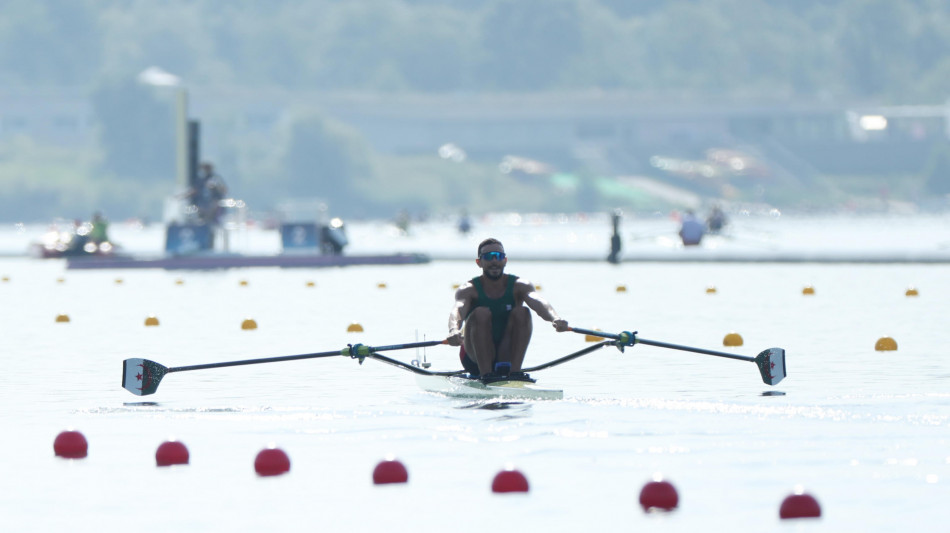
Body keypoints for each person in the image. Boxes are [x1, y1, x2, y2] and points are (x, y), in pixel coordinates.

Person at [446, 238, 569, 381]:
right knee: (481, 313)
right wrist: (453, 330)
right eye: (488, 257)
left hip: (506, 354)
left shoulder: (520, 285)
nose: (494, 261)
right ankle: (486, 374)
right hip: (474, 359)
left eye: (498, 256)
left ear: (505, 260)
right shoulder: (469, 290)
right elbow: (457, 310)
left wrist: (555, 318)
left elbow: (538, 302)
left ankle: (514, 373)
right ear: (479, 262)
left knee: (522, 312)